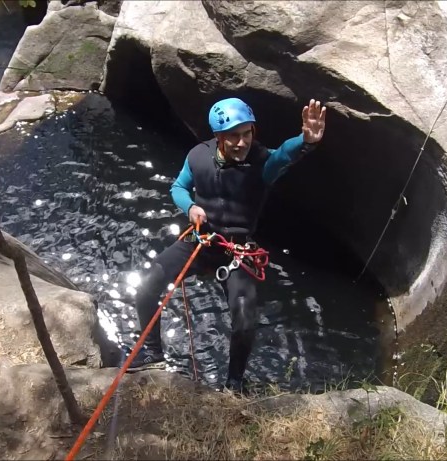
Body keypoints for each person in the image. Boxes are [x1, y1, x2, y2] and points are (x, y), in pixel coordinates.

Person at [129, 97, 327, 393]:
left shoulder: (262, 163)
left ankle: (234, 382)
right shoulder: (198, 155)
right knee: (147, 287)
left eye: (247, 134)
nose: (242, 142)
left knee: (245, 320)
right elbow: (179, 187)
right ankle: (153, 353)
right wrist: (191, 208)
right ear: (218, 137)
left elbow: (283, 155)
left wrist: (306, 141)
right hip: (201, 241)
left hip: (237, 250)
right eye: (234, 136)